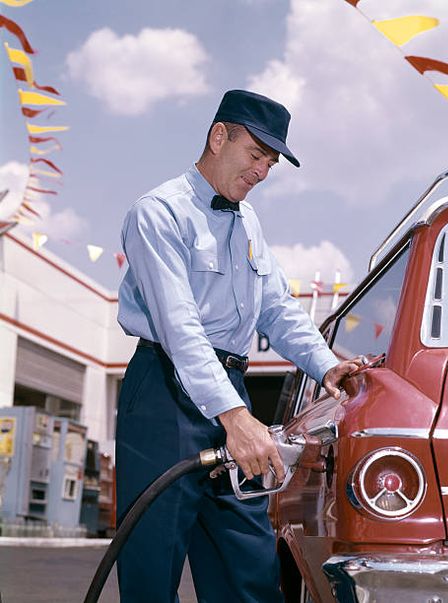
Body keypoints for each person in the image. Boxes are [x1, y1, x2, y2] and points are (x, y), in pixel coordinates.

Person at [116, 89, 361, 603]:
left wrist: (327, 366)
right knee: (153, 562)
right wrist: (235, 417)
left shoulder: (248, 222)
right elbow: (180, 329)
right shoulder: (158, 213)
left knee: (245, 557)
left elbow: (276, 306)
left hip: (229, 387)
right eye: (256, 155)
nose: (263, 172)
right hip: (163, 392)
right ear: (218, 136)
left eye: (271, 163)